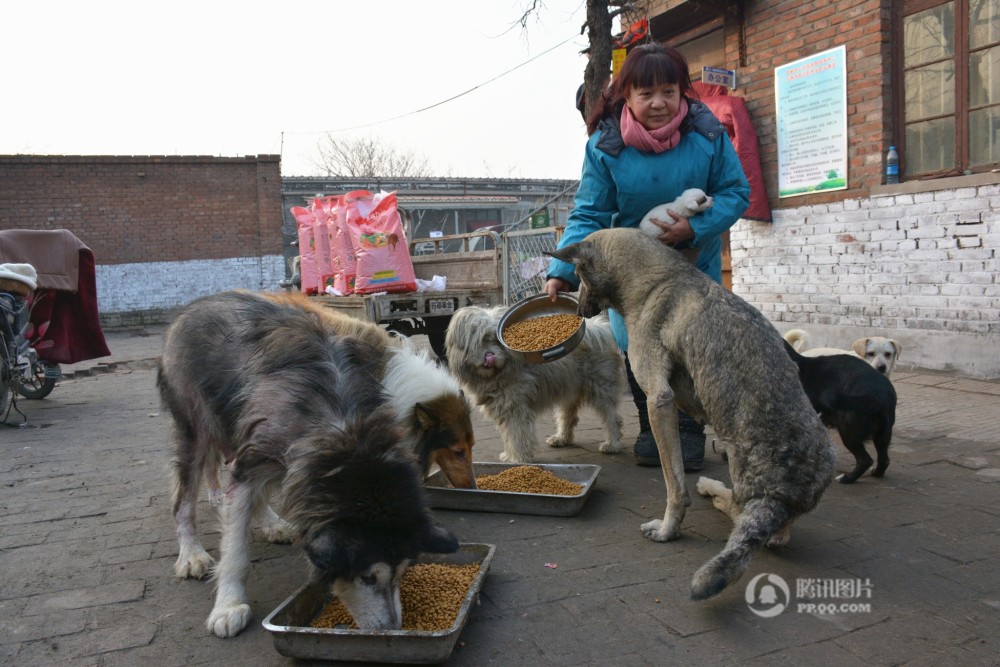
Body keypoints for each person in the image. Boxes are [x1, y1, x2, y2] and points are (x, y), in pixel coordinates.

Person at [545, 43, 750, 470]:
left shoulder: (708, 137)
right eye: (646, 93)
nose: (658, 103)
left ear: (682, 93)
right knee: (635, 342)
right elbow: (590, 212)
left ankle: (690, 430)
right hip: (630, 274)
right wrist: (562, 271)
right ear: (627, 96)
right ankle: (649, 423)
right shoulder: (607, 146)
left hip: (693, 262)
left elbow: (736, 193)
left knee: (690, 341)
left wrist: (693, 227)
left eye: (668, 92)